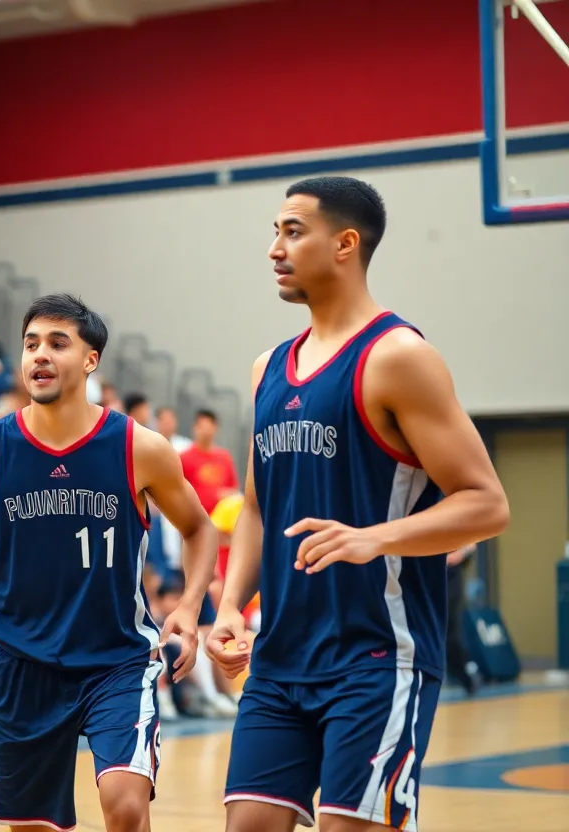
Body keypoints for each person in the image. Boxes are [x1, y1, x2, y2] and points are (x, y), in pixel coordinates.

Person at [207, 176, 510, 831]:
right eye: (274, 232)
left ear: (345, 244)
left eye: (292, 231)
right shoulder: (268, 368)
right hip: (280, 658)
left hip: (376, 657)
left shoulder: (398, 356)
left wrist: (376, 536)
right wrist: (232, 603)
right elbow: (258, 508)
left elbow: (487, 503)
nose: (273, 249)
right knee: (247, 825)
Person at [0, 294, 219, 832]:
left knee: (125, 804)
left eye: (57, 343)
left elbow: (199, 529)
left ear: (91, 360)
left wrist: (189, 608)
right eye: (31, 344)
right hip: (23, 662)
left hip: (116, 657)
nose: (39, 356)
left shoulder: (138, 447)